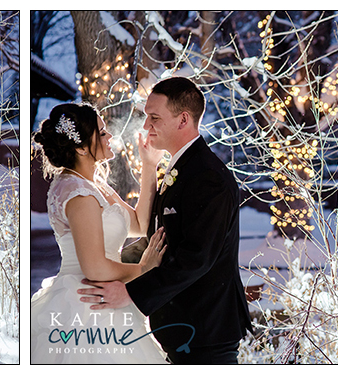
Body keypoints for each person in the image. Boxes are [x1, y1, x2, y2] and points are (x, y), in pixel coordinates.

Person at [78, 77, 253, 364]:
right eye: (146, 117)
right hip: (181, 330)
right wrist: (105, 267)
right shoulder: (179, 169)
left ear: (183, 119)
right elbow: (156, 240)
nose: (146, 126)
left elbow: (195, 258)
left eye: (154, 117)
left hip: (205, 331)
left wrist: (130, 294)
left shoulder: (209, 177)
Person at [30, 102, 168, 364]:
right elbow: (94, 268)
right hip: (86, 304)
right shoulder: (78, 193)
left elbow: (138, 224)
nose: (110, 136)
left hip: (106, 294)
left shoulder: (94, 185)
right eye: (102, 133)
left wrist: (149, 166)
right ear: (81, 148)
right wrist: (145, 269)